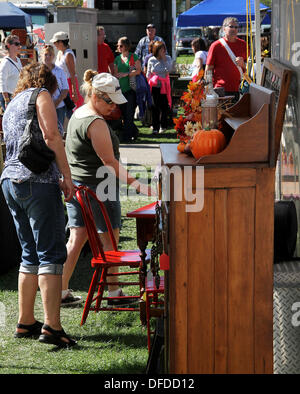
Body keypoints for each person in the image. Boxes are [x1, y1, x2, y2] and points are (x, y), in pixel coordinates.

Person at [62, 71, 155, 306]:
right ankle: (114, 293)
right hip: (98, 189)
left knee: (76, 239)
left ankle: (59, 290)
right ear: (95, 95)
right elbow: (110, 163)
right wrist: (138, 185)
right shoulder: (95, 122)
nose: (113, 106)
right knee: (110, 243)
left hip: (80, 188)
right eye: (109, 101)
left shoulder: (78, 114)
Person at [0, 62, 76, 347]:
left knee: (29, 254)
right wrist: (66, 176)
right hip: (38, 182)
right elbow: (51, 135)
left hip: (10, 181)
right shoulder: (40, 93)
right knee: (51, 255)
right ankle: (52, 327)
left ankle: (25, 321)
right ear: (47, 81)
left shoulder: (13, 102)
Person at [205, 17, 247, 102]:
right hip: (220, 90)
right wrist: (209, 89)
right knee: (222, 115)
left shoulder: (243, 44)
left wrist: (243, 65)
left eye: (236, 27)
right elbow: (208, 69)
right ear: (224, 28)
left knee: (236, 115)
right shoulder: (216, 46)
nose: (234, 29)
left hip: (239, 89)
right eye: (231, 26)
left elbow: (249, 69)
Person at [50, 31, 84, 117]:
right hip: (62, 85)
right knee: (65, 110)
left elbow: (72, 73)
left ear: (61, 42)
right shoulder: (60, 53)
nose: (54, 44)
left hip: (68, 84)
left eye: (55, 42)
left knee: (72, 111)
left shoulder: (68, 54)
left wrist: (74, 91)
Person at [114, 37, 141, 142]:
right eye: (118, 46)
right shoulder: (117, 59)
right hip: (120, 90)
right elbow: (115, 73)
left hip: (131, 89)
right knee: (123, 114)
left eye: (120, 45)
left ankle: (127, 137)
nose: (118, 47)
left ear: (126, 46)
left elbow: (138, 71)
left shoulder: (133, 57)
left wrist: (126, 74)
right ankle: (133, 131)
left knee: (129, 114)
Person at [146, 41, 174, 134]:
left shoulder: (168, 58)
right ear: (156, 50)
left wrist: (164, 59)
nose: (163, 51)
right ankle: (155, 127)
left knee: (164, 106)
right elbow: (149, 73)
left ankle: (163, 125)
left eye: (164, 49)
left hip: (165, 86)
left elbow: (169, 69)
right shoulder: (151, 60)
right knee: (155, 107)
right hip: (155, 86)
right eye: (160, 49)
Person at [40, 44, 69, 127]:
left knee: (58, 130)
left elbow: (65, 89)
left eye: (50, 55)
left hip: (59, 106)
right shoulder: (37, 71)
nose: (48, 57)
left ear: (53, 56)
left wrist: (56, 102)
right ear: (42, 55)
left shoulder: (59, 71)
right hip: (43, 107)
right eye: (46, 54)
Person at [0, 35, 22, 112]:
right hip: (8, 96)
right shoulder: (5, 62)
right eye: (16, 44)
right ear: (9, 46)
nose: (19, 46)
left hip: (16, 95)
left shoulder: (18, 60)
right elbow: (2, 82)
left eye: (19, 43)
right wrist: (6, 100)